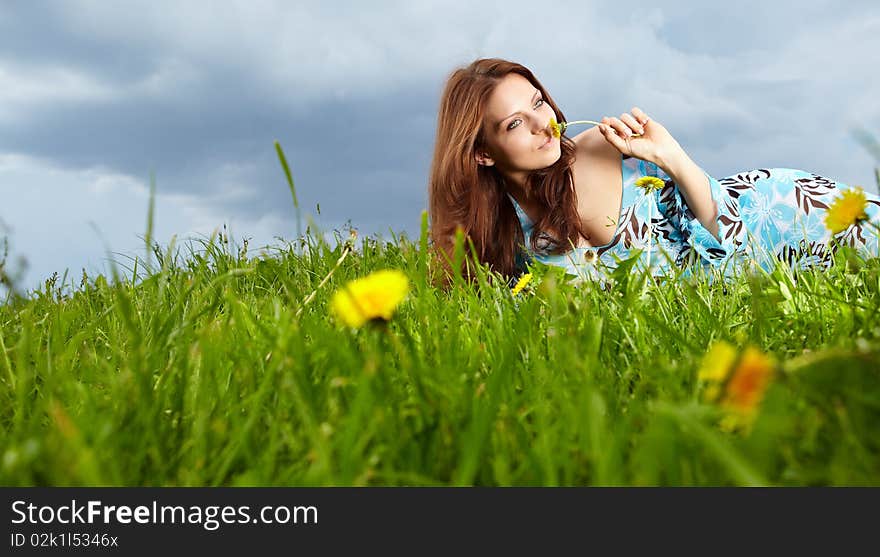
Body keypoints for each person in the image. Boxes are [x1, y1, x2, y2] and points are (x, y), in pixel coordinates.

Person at [427, 57, 880, 289]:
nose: (542, 125)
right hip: (727, 289)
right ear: (483, 154)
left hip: (771, 216)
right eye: (514, 124)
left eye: (538, 103)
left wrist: (671, 157)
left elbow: (725, 226)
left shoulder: (600, 146)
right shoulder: (500, 234)